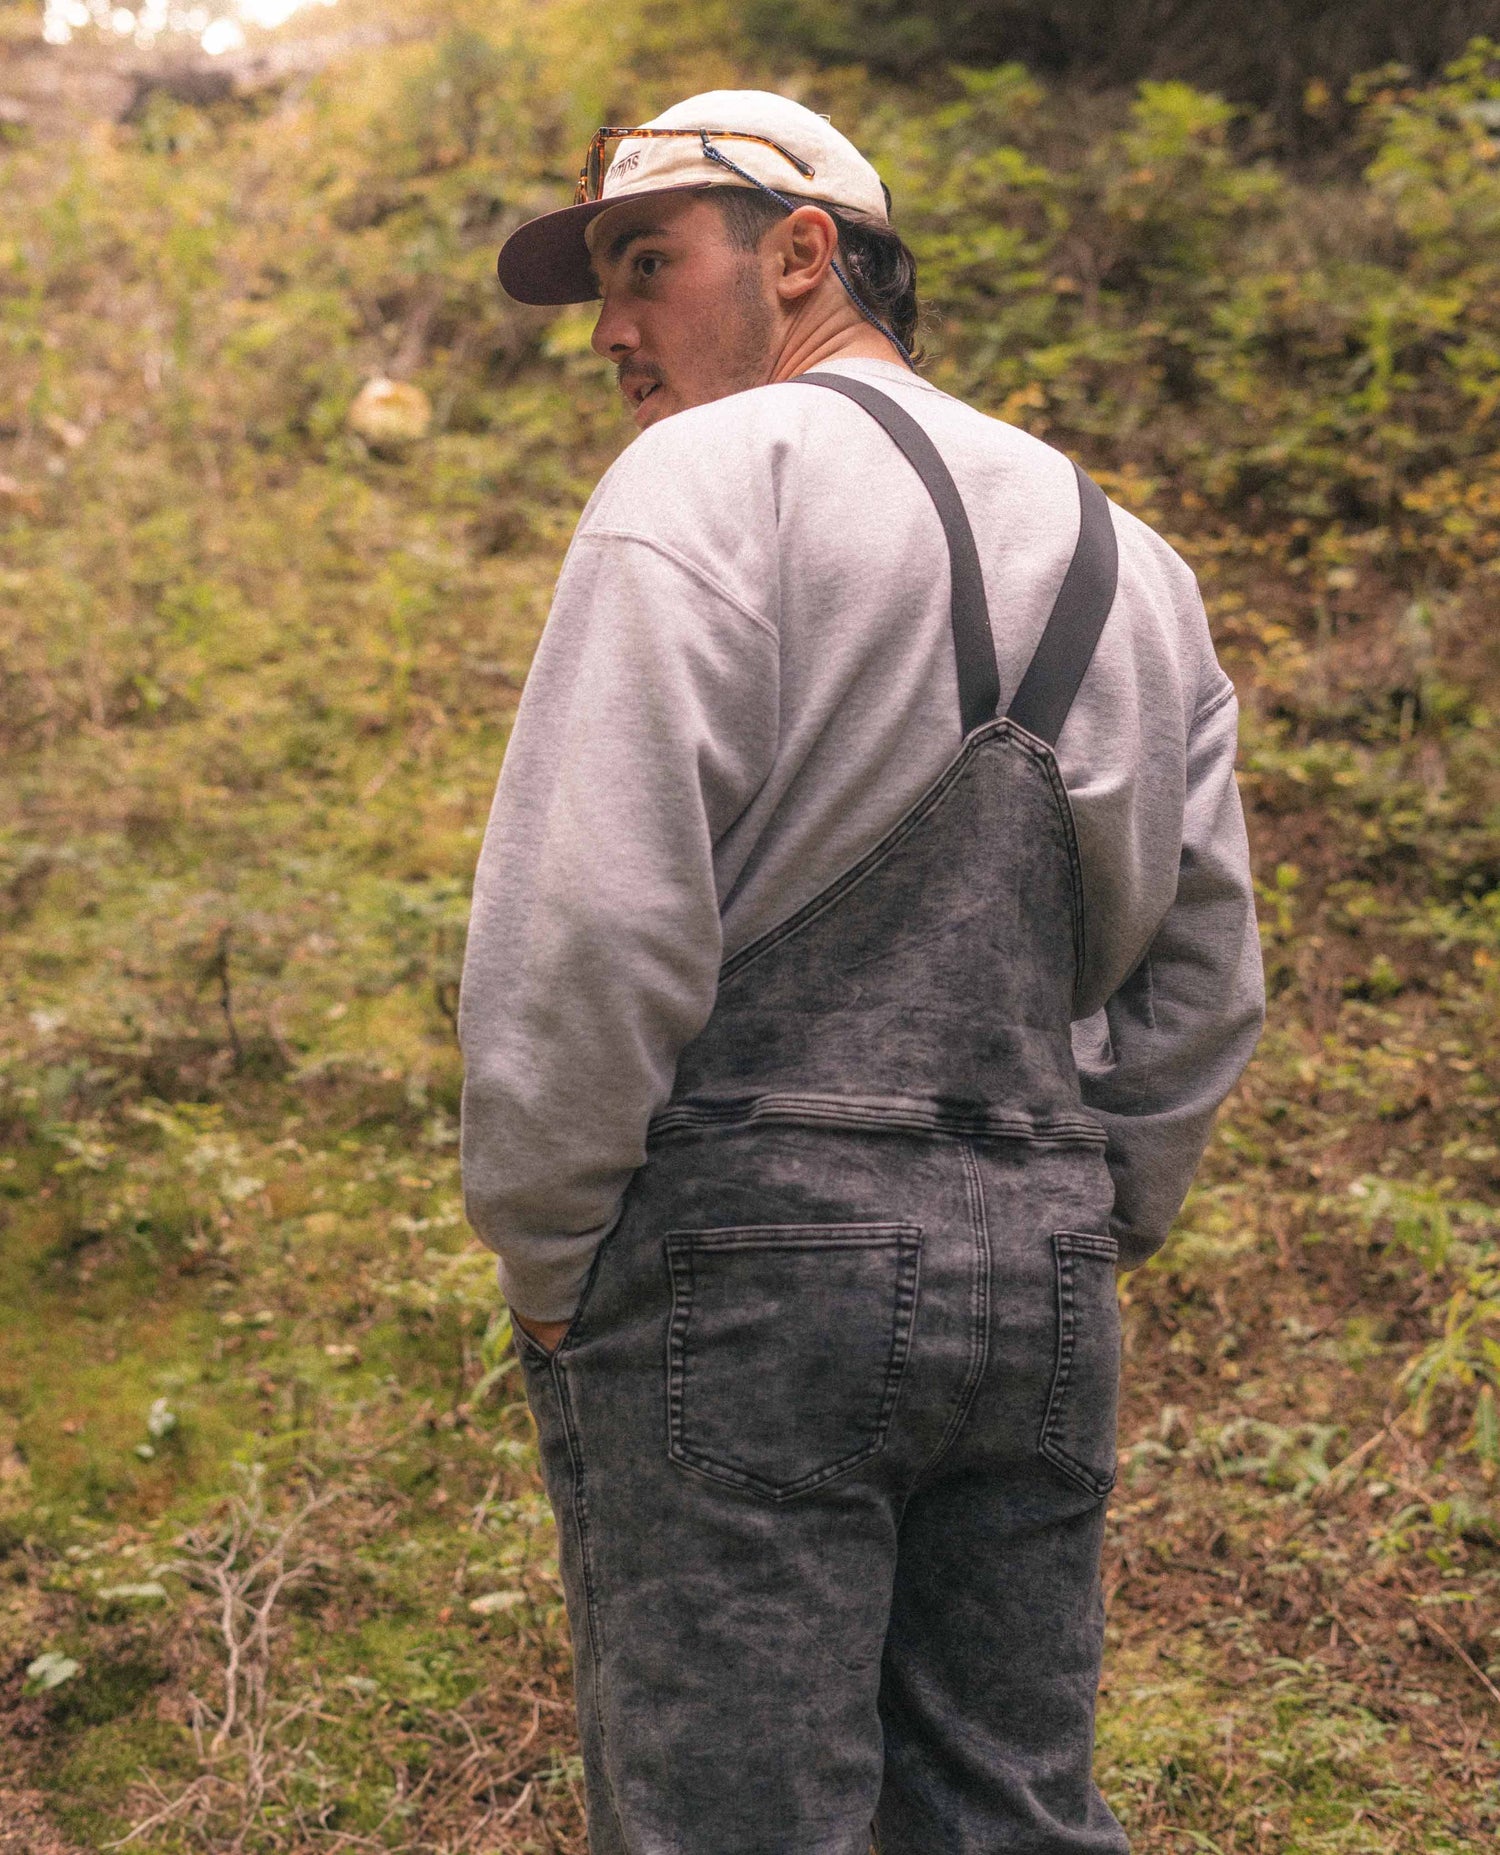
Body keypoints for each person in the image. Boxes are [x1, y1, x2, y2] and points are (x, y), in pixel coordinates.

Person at [460, 88, 1263, 1855]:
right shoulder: (1138, 561)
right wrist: (1086, 1207)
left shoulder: (705, 476)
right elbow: (1203, 986)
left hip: (743, 1274)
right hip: (1045, 1281)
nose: (607, 330)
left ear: (804, 253)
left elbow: (588, 923)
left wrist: (548, 1257)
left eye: (645, 263)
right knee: (1009, 1817)